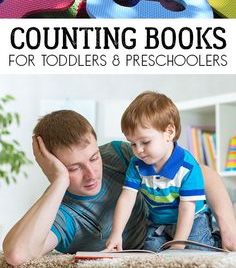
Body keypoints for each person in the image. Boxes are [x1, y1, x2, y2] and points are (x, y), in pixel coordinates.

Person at [3, 109, 236, 266]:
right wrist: (59, 181)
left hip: (191, 223)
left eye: (93, 158)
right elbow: (17, 255)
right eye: (73, 168)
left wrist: (229, 230)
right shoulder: (63, 214)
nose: (92, 174)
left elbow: (205, 175)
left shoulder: (117, 154)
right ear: (54, 168)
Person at [106, 92, 219, 252]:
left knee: (196, 250)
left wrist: (178, 245)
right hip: (158, 221)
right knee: (152, 251)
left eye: (145, 142)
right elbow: (127, 199)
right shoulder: (136, 165)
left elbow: (187, 208)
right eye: (132, 143)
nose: (138, 150)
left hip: (192, 218)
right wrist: (116, 234)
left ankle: (216, 239)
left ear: (169, 133)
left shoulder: (188, 167)